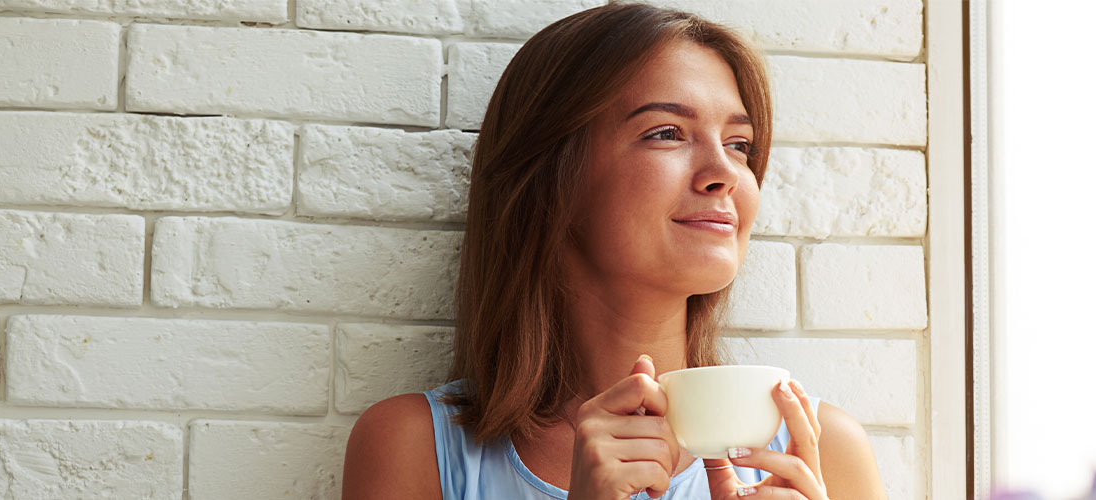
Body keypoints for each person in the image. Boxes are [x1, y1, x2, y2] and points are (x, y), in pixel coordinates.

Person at [341, 4, 888, 500]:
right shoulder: (413, 448)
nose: (725, 173)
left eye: (739, 144)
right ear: (554, 178)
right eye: (667, 133)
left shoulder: (823, 452)